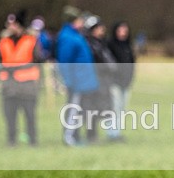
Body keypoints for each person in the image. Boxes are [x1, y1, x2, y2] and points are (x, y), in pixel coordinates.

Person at [0, 11, 43, 146]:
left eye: (12, 24)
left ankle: (33, 141)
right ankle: (11, 141)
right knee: (10, 116)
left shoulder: (31, 40)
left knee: (30, 115)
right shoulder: (4, 41)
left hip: (27, 85)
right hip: (9, 85)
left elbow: (38, 60)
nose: (9, 27)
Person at [55, 11, 99, 146]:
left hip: (83, 81)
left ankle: (76, 136)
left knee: (79, 111)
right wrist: (69, 81)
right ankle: (69, 137)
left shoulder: (75, 35)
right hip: (76, 82)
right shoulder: (68, 37)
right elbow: (65, 62)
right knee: (73, 110)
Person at [85, 19, 117, 143]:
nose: (102, 30)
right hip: (95, 80)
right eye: (99, 28)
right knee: (92, 108)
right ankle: (91, 135)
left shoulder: (101, 43)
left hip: (103, 80)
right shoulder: (91, 44)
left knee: (102, 108)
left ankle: (102, 134)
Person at [107, 21, 136, 142]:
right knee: (114, 108)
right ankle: (112, 133)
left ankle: (117, 132)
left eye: (125, 30)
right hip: (114, 83)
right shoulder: (110, 45)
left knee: (122, 108)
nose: (123, 32)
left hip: (126, 82)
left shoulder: (128, 46)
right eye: (120, 30)